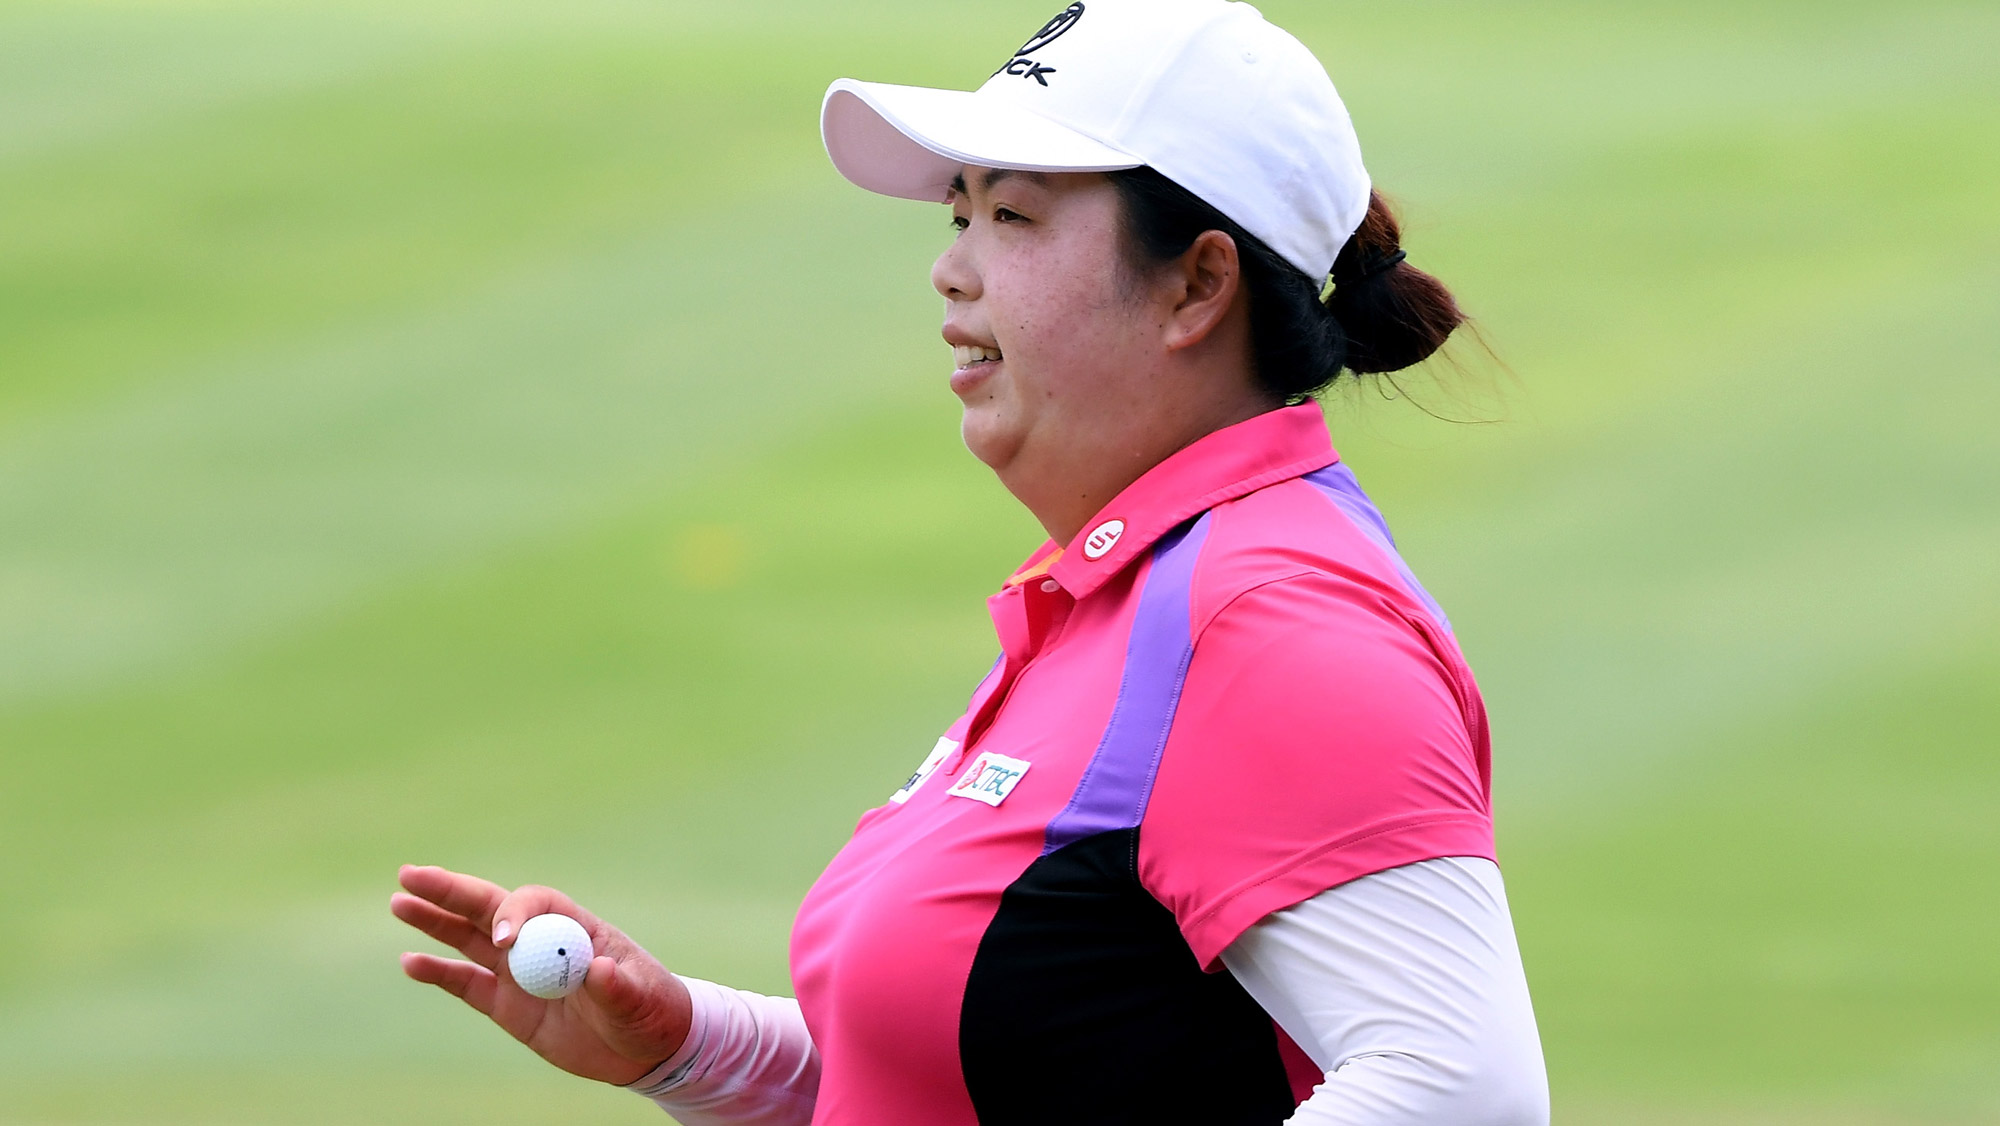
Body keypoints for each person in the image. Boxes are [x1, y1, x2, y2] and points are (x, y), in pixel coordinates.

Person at [391, 1, 1550, 1122]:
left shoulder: (1268, 616)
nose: (952, 270)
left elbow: (1460, 1091)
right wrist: (689, 1045)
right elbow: (990, 1076)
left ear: (1195, 285)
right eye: (960, 216)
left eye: (1016, 218)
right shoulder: (1133, 592)